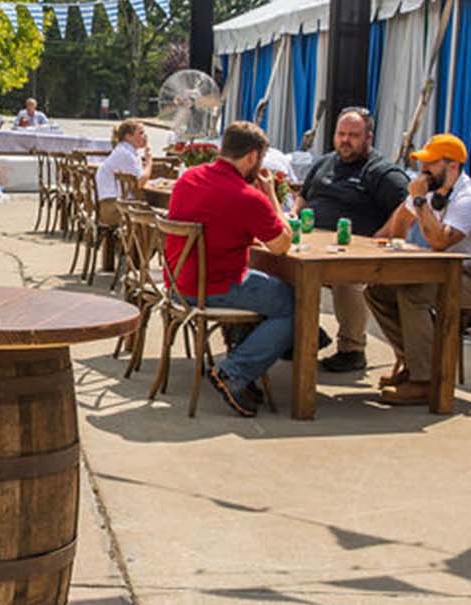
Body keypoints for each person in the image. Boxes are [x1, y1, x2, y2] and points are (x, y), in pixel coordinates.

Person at [163, 121, 295, 417]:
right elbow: (282, 246)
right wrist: (270, 195)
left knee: (268, 289)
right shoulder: (246, 197)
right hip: (214, 287)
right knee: (293, 304)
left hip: (178, 284)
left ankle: (242, 356)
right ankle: (234, 371)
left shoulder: (188, 178)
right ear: (252, 157)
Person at [365, 134, 471, 404]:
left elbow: (439, 241)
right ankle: (415, 364)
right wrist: (389, 244)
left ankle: (425, 381)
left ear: (452, 166)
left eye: (430, 164)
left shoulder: (469, 198)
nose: (423, 170)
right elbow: (400, 219)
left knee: (413, 294)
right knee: (377, 290)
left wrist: (418, 202)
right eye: (422, 163)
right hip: (440, 274)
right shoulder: (430, 192)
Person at [295, 107, 410, 375]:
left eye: (353, 135)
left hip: (352, 253)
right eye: (341, 134)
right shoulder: (324, 162)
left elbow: (409, 205)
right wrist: (294, 213)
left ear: (368, 137)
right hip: (310, 245)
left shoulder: (381, 171)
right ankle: (299, 335)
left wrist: (382, 236)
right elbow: (305, 194)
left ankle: (352, 349)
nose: (345, 140)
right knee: (276, 269)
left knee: (347, 280)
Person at [95, 118, 148, 226]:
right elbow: (140, 182)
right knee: (154, 216)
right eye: (141, 133)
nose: (145, 136)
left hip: (115, 204)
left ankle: (136, 242)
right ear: (128, 136)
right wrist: (150, 160)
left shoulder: (127, 151)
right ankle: (138, 242)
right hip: (114, 207)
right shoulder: (125, 154)